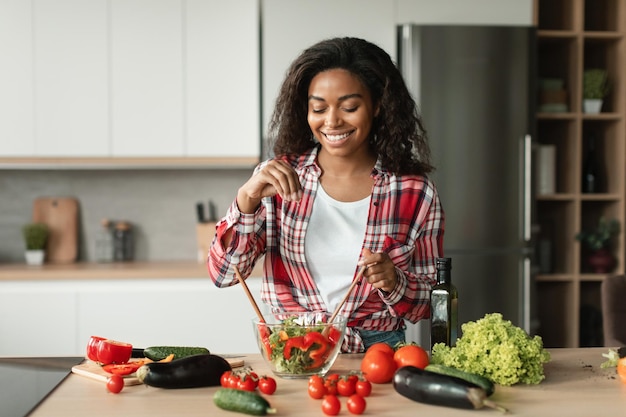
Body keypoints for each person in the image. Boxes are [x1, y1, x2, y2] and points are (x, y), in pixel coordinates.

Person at [207, 37, 444, 353]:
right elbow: (223, 275)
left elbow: (429, 307)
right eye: (318, 108)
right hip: (293, 349)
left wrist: (394, 281)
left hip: (378, 353)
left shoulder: (415, 192)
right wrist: (245, 202)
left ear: (377, 106)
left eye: (349, 107)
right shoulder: (276, 178)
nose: (331, 121)